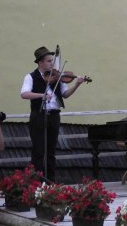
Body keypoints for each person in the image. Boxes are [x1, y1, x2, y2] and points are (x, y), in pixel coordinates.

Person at [21, 46, 84, 182]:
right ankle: (36, 183)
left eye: (52, 60)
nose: (52, 63)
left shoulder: (57, 76)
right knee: (38, 151)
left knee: (51, 152)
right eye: (49, 61)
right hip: (38, 115)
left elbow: (65, 95)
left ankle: (51, 182)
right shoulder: (31, 77)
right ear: (40, 62)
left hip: (54, 116)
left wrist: (77, 84)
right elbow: (24, 94)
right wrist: (41, 95)